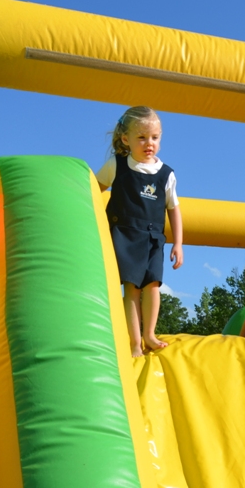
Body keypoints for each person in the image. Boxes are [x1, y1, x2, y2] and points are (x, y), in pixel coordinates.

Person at [97, 106, 183, 357]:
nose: (149, 143)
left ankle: (150, 335)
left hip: (153, 237)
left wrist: (178, 243)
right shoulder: (117, 165)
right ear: (126, 139)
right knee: (132, 288)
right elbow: (93, 188)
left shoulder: (166, 174)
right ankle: (135, 343)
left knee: (153, 285)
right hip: (124, 235)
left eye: (155, 137)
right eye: (142, 137)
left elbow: (174, 210)